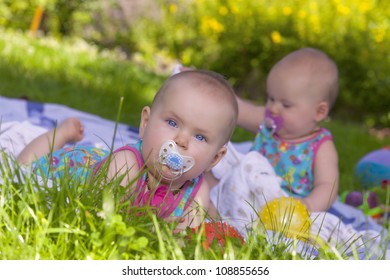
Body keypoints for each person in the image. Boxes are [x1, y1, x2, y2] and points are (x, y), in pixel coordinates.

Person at [17, 70, 239, 230]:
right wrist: (158, 230)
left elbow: (190, 239)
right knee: (23, 168)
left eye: (199, 137)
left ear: (214, 159)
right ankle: (62, 134)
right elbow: (105, 219)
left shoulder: (197, 194)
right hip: (76, 168)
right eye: (172, 123)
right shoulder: (126, 165)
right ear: (145, 123)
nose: (181, 140)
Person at [225, 47, 340, 213]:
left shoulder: (321, 146)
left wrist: (307, 206)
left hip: (286, 208)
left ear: (319, 112)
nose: (274, 108)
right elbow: (239, 110)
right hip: (247, 194)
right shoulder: (267, 122)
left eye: (285, 105)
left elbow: (327, 186)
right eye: (271, 99)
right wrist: (211, 89)